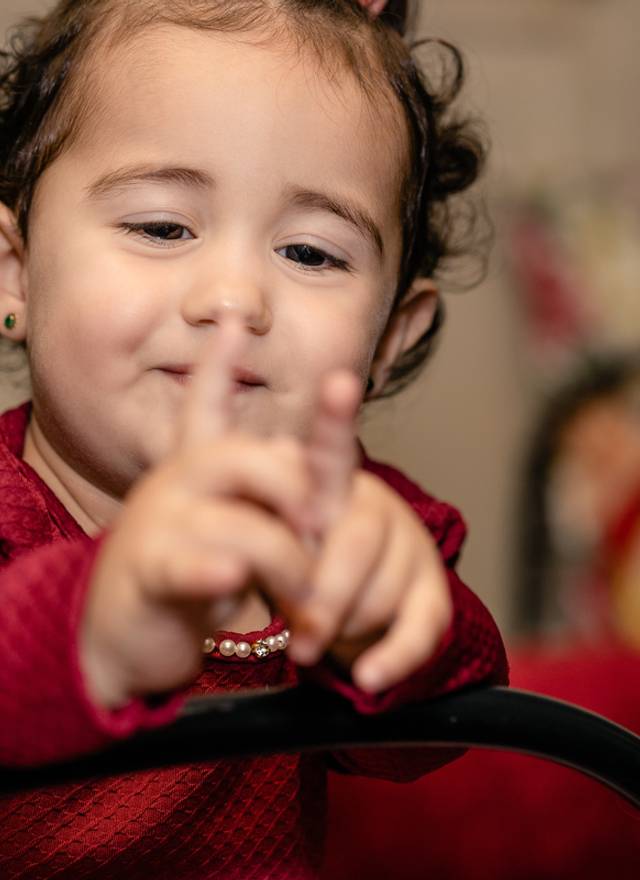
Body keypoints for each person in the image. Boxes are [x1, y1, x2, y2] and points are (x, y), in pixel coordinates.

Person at [0, 1, 508, 877]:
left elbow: (442, 728)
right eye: (162, 227)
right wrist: (99, 622)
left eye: (311, 253)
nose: (234, 297)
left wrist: (394, 621)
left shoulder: (348, 518)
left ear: (389, 338)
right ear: (13, 273)